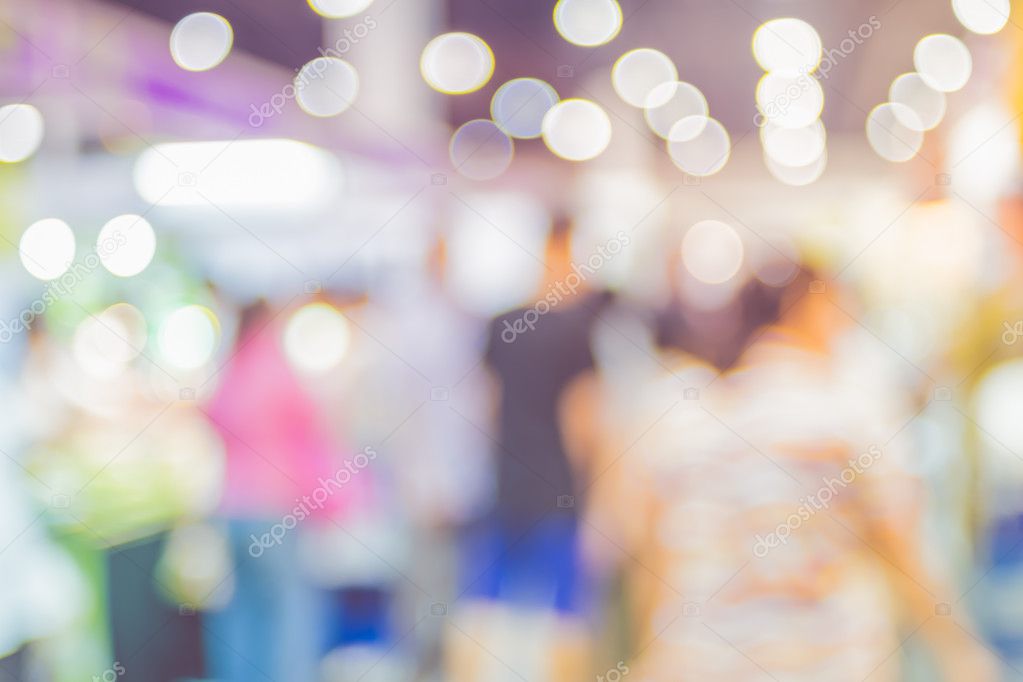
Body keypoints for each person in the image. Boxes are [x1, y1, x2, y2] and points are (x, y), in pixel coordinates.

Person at [580, 261, 1001, 681]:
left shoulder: (680, 418)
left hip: (698, 663)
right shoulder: (848, 413)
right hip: (825, 665)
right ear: (809, 308)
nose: (846, 329)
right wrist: (962, 654)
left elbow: (647, 563)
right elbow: (904, 551)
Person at [447, 215, 612, 681]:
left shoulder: (501, 325)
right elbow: (583, 423)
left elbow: (486, 410)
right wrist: (593, 489)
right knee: (566, 618)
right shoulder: (576, 332)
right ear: (566, 256)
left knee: (482, 610)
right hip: (557, 488)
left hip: (504, 482)